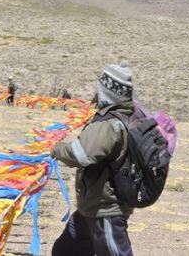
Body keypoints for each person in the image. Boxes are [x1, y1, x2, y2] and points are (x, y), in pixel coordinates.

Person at [51, 62, 135, 256]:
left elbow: (80, 154)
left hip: (106, 211)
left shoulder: (110, 124)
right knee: (65, 250)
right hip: (91, 207)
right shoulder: (121, 116)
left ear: (107, 90)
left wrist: (56, 149)